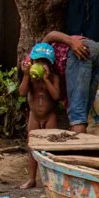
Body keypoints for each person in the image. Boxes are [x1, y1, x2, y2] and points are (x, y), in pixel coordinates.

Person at [19, 42, 63, 189]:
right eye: (37, 62)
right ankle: (32, 178)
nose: (40, 65)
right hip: (34, 116)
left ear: (50, 64)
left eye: (44, 62)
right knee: (32, 146)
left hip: (49, 116)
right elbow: (22, 93)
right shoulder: (30, 78)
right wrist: (26, 75)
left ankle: (51, 180)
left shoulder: (54, 78)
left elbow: (56, 96)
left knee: (51, 147)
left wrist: (46, 79)